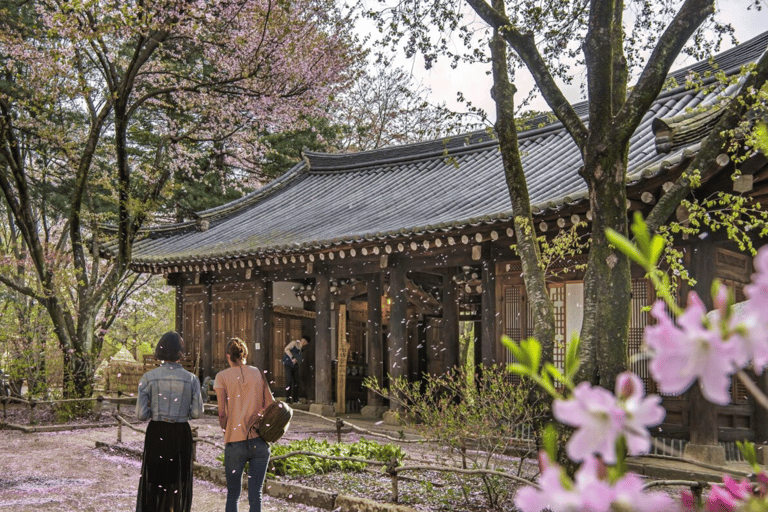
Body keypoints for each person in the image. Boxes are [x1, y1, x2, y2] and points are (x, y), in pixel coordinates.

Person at [135, 331, 203, 512]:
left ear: (160, 350)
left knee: (156, 480)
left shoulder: (148, 378)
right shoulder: (191, 379)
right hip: (180, 433)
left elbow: (141, 415)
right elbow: (197, 413)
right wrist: (182, 413)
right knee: (177, 481)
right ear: (180, 351)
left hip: (157, 431)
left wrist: (154, 409)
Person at [215, 337, 274, 512]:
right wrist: (257, 416)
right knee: (256, 494)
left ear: (228, 356)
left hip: (235, 441)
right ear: (245, 354)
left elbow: (221, 412)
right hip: (259, 440)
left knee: (233, 495)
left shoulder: (221, 377)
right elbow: (271, 403)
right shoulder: (257, 373)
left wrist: (226, 428)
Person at [282, 335, 310, 403]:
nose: (304, 342)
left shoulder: (302, 349)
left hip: (295, 365)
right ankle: (288, 399)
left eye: (305, 342)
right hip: (288, 363)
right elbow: (286, 349)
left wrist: (297, 360)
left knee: (296, 382)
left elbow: (300, 358)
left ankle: (295, 399)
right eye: (303, 340)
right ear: (301, 339)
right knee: (289, 381)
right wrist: (292, 358)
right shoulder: (294, 343)